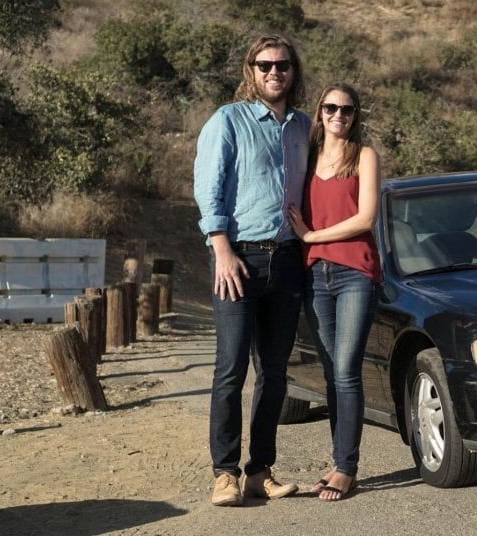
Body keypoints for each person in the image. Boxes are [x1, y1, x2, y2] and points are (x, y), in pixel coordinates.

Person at [193, 34, 310, 507]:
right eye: (264, 65)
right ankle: (225, 474)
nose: (274, 72)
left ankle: (260, 470)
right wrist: (221, 248)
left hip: (287, 259)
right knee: (230, 368)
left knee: (276, 372)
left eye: (282, 65)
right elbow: (208, 188)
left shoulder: (305, 126)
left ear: (293, 70)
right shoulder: (228, 119)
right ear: (251, 70)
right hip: (238, 258)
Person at [287, 83, 381, 502]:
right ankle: (338, 460)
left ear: (355, 115)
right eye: (330, 108)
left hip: (354, 274)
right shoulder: (306, 158)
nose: (338, 115)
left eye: (347, 109)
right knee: (330, 373)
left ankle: (347, 468)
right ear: (320, 112)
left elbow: (365, 219)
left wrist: (312, 235)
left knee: (345, 370)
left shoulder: (365, 157)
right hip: (314, 275)